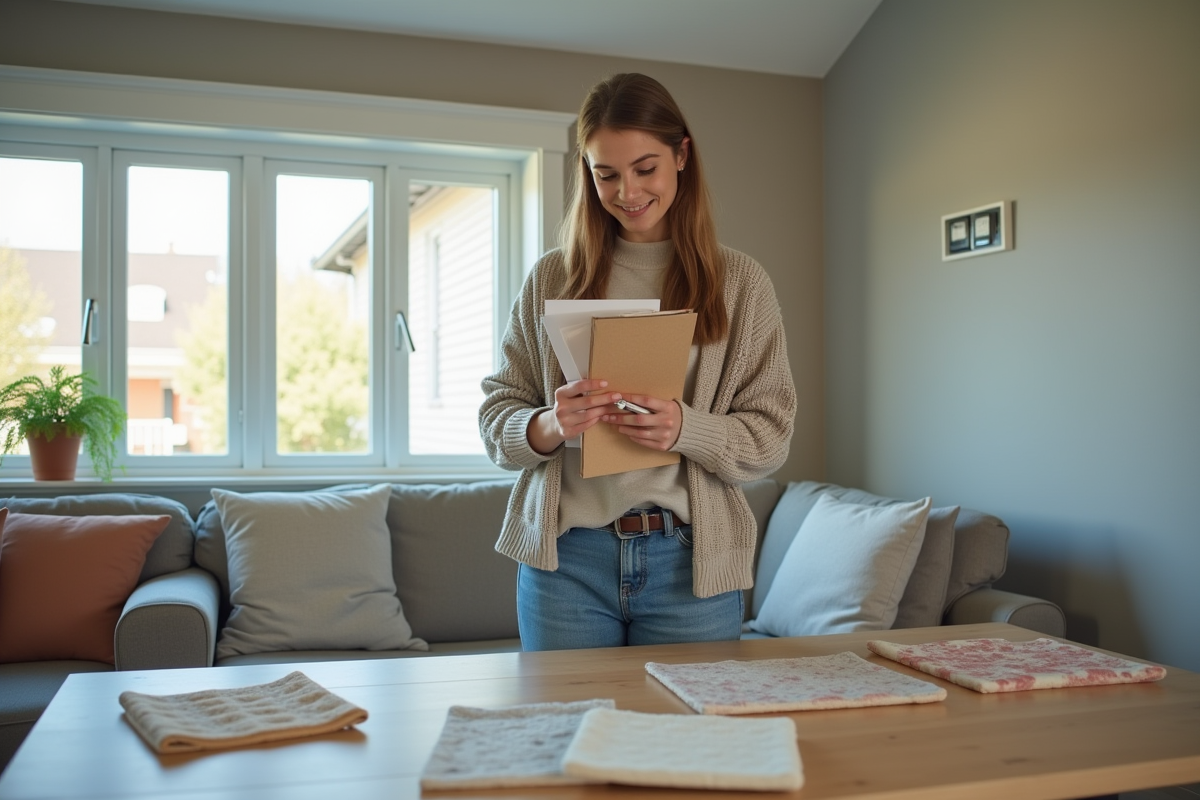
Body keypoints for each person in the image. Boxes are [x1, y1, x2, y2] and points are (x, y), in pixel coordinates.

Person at [479, 73, 796, 651]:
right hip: (567, 562)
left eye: (645, 168)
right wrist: (550, 424)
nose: (627, 191)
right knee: (567, 735)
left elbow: (771, 437)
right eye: (606, 174)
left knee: (689, 740)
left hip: (690, 564)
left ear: (681, 155)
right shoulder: (552, 277)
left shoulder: (741, 283)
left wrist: (685, 428)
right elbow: (497, 415)